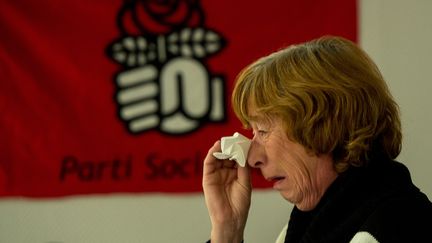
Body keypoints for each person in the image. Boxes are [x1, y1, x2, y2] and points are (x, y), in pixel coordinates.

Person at [202, 36, 432, 243]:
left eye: (263, 131)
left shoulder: (394, 227)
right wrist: (227, 232)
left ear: (325, 125)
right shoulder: (307, 225)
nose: (252, 158)